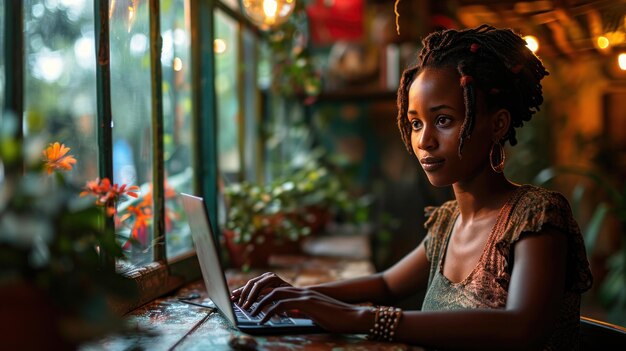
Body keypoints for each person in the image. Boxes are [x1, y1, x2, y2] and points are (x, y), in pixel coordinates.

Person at [231, 24, 593, 350]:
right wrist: (296, 295)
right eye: (416, 123)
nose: (425, 141)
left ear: (498, 124)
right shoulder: (447, 221)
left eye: (444, 120)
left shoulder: (537, 216)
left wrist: (363, 319)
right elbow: (387, 284)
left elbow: (520, 327)